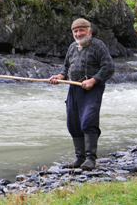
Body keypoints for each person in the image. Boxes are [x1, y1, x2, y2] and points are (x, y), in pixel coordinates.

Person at [49, 18, 115, 169]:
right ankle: (80, 159)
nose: (78, 34)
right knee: (73, 123)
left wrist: (93, 80)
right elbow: (66, 67)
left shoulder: (98, 45)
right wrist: (60, 77)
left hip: (92, 89)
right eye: (76, 31)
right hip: (74, 88)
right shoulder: (72, 47)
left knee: (88, 121)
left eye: (81, 30)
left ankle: (91, 159)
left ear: (89, 31)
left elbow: (109, 67)